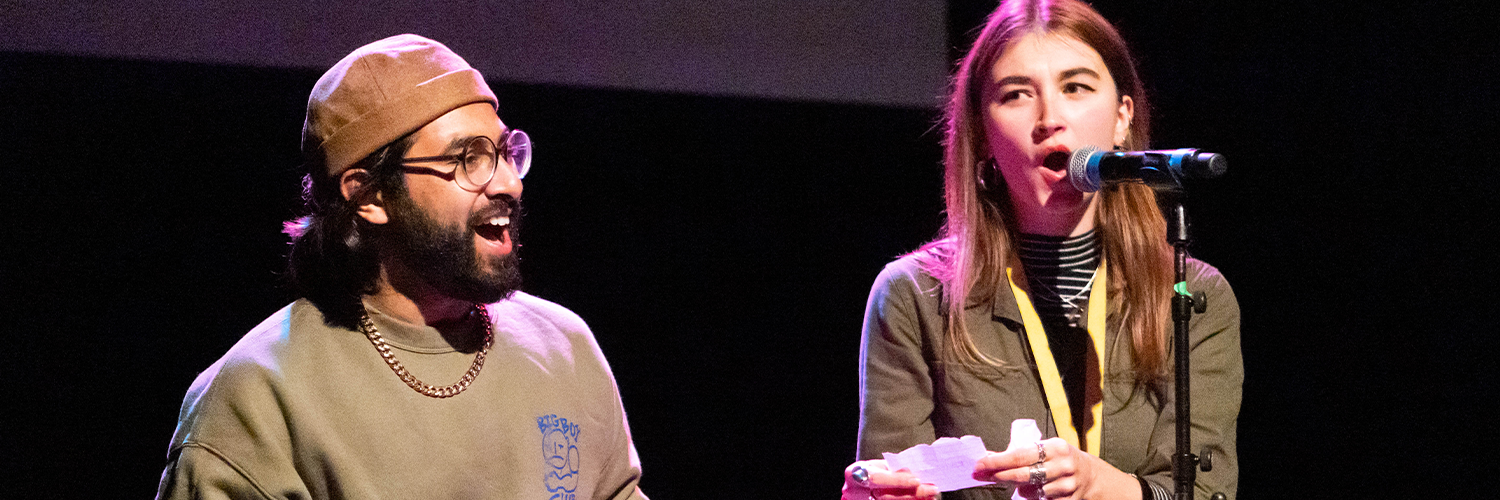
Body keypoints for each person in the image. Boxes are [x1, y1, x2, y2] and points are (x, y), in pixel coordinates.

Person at [155, 34, 647, 500]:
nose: (509, 184)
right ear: (369, 195)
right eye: (468, 159)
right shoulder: (258, 396)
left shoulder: (566, 347)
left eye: (503, 152)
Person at [841, 1, 1241, 499]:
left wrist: (1099, 485)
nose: (1050, 118)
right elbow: (889, 483)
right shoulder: (914, 297)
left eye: (1076, 88)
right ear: (982, 134)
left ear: (1122, 117)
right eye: (1016, 95)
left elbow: (1202, 491)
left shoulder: (1193, 295)